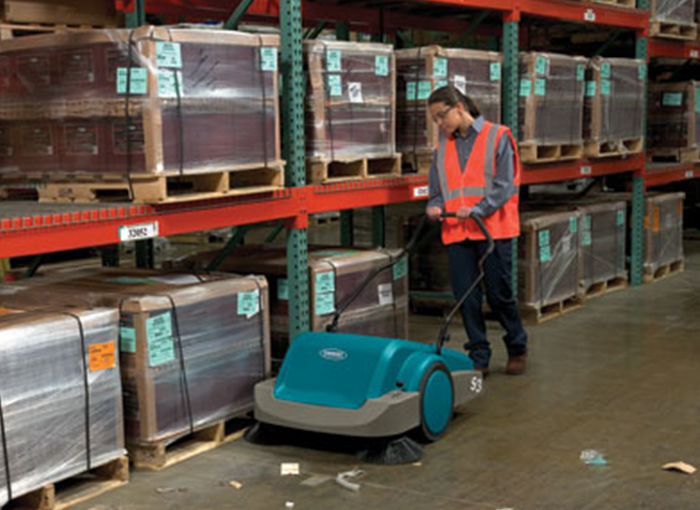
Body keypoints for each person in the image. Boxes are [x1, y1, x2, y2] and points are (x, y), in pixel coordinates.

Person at [425, 85, 528, 378]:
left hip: (493, 230)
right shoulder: (442, 148)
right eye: (435, 119)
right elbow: (436, 191)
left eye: (441, 116)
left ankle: (517, 347)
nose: (439, 123)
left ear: (459, 107)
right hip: (457, 232)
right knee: (466, 297)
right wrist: (434, 206)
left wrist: (478, 209)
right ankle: (479, 355)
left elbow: (504, 186)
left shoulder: (498, 136)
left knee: (499, 295)